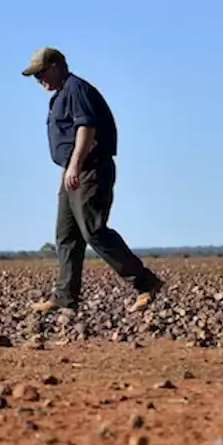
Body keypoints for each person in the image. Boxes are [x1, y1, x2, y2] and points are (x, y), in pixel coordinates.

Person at [20, 46, 163, 313]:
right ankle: (65, 297)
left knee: (94, 230)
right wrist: (67, 169)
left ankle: (146, 283)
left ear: (56, 66)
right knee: (66, 236)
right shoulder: (61, 95)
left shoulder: (76, 89)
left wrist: (74, 166)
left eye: (40, 73)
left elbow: (86, 128)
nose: (39, 80)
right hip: (72, 171)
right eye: (34, 76)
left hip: (90, 169)